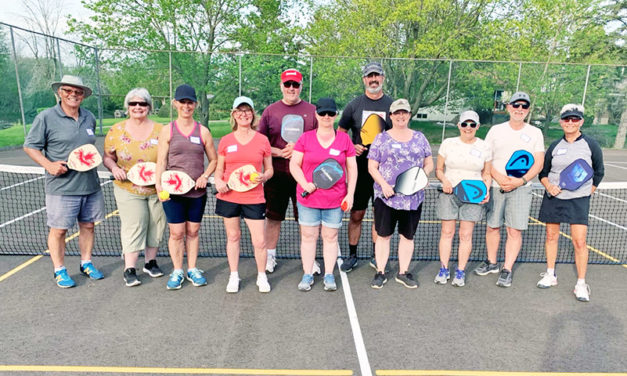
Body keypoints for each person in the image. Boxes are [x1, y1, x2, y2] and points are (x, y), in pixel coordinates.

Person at [23, 75, 105, 288]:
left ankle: (86, 263)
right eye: (68, 90)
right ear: (59, 92)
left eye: (78, 92)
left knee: (88, 226)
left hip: (90, 184)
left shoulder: (89, 117)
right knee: (59, 230)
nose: (73, 95)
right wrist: (49, 165)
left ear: (83, 96)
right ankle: (59, 270)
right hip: (61, 187)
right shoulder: (46, 117)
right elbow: (30, 146)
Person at [474, 91, 544, 287]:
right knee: (492, 226)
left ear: (528, 110)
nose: (519, 109)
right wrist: (499, 178)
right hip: (496, 186)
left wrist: (520, 181)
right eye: (516, 105)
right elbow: (485, 158)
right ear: (508, 107)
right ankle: (492, 262)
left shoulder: (535, 133)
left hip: (521, 188)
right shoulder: (496, 130)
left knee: (514, 231)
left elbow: (538, 162)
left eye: (524, 106)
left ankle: (507, 269)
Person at [536, 104, 604, 302]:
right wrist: (549, 186)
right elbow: (543, 172)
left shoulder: (591, 145)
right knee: (551, 236)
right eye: (566, 119)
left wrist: (585, 193)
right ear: (561, 122)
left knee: (580, 242)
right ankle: (550, 274)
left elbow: (598, 172)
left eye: (574, 119)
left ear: (581, 122)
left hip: (578, 201)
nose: (570, 123)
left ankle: (581, 284)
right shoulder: (555, 146)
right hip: (554, 197)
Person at [290, 98, 357, 291]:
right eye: (323, 113)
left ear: (336, 115)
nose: (326, 117)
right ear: (316, 115)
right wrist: (305, 184)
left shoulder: (344, 139)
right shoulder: (305, 138)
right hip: (308, 199)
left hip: (335, 200)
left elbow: (352, 168)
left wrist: (350, 194)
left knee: (330, 237)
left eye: (331, 113)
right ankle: (307, 274)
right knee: (309, 237)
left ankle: (329, 275)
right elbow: (294, 164)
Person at [155, 84, 217, 290]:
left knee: (193, 231)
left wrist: (205, 176)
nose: (186, 105)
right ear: (175, 104)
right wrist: (159, 185)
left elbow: (214, 160)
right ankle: (177, 270)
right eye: (182, 102)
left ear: (195, 105)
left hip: (197, 192)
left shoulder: (203, 131)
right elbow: (161, 161)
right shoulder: (167, 130)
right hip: (172, 192)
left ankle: (192, 268)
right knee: (176, 233)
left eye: (190, 102)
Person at [367, 99, 433, 289]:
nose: (401, 116)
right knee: (383, 236)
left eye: (404, 112)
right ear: (391, 116)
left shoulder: (420, 138)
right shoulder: (381, 139)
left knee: (407, 236)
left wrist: (422, 176)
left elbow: (429, 163)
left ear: (409, 115)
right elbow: (372, 166)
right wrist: (384, 185)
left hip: (413, 199)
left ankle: (403, 272)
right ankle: (380, 271)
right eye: (397, 113)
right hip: (386, 198)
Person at [258, 69, 319, 274]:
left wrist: (300, 150)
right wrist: (278, 151)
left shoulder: (312, 111)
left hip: (304, 175)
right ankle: (270, 257)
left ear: (301, 86)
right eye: (287, 84)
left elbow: (322, 140)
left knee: (306, 219)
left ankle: (309, 260)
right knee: (273, 218)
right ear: (281, 86)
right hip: (276, 175)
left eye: (295, 84)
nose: (291, 88)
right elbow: (260, 141)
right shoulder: (270, 111)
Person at [103, 88, 166, 287]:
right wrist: (114, 168)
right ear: (127, 107)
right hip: (128, 187)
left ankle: (150, 263)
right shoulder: (116, 130)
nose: (138, 107)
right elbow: (108, 157)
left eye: (142, 103)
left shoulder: (161, 129)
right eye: (133, 104)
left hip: (157, 188)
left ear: (149, 107)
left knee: (156, 225)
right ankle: (129, 268)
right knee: (135, 224)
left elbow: (168, 157)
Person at [338, 62, 394, 272]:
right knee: (357, 215)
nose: (373, 79)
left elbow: (399, 133)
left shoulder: (392, 105)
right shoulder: (353, 105)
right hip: (359, 171)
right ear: (364, 79)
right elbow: (340, 134)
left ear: (382, 78)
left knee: (379, 215)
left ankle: (376, 256)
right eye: (369, 76)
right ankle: (352, 255)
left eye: (377, 76)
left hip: (383, 171)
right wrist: (352, 147)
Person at [215, 96, 273, 293]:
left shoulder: (262, 140)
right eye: (239, 111)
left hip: (254, 197)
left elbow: (270, 169)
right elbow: (219, 169)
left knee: (260, 241)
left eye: (247, 110)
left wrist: (264, 176)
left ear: (253, 114)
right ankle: (233, 275)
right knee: (233, 237)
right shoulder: (225, 141)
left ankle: (262, 276)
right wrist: (220, 181)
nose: (244, 114)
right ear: (234, 114)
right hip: (229, 197)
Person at [434, 110, 491, 287]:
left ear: (477, 127)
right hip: (449, 194)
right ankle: (444, 269)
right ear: (459, 125)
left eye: (472, 125)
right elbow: (439, 170)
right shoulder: (448, 143)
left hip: (472, 196)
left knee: (466, 235)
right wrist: (444, 181)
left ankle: (460, 271)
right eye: (465, 124)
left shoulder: (484, 147)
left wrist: (485, 190)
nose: (468, 128)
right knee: (447, 233)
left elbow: (486, 174)